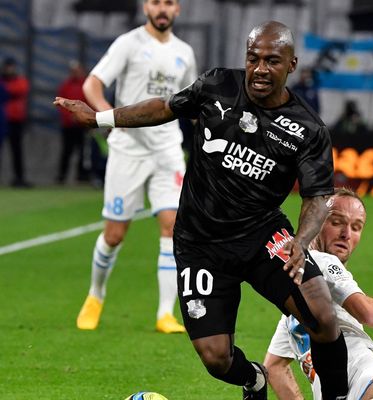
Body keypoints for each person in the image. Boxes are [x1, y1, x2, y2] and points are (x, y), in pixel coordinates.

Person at [55, 20, 351, 400]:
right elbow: (163, 107)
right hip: (200, 243)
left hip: (263, 236)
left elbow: (318, 196)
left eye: (272, 61)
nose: (260, 69)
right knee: (216, 358)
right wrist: (99, 117)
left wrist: (302, 239)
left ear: (291, 65)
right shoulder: (217, 86)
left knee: (322, 318)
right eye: (253, 58)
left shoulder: (308, 128)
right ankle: (254, 380)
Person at [72, 0, 197, 334]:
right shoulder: (128, 44)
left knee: (172, 226)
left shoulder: (185, 52)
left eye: (169, 3)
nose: (162, 9)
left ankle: (164, 314)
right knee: (114, 235)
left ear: (177, 9)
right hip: (128, 150)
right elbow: (92, 85)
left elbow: (190, 102)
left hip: (167, 150)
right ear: (146, 7)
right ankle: (95, 295)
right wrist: (108, 118)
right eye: (156, 2)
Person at [264, 188, 373, 400]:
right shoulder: (324, 262)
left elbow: (274, 368)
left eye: (356, 227)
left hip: (337, 390)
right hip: (364, 373)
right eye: (337, 222)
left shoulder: (293, 304)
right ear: (315, 221)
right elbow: (367, 313)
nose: (346, 234)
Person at [56, 61, 90, 184]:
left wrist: (84, 117)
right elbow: (60, 103)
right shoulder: (66, 85)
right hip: (69, 125)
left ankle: (82, 176)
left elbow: (89, 102)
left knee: (83, 151)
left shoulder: (86, 86)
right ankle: (61, 176)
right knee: (66, 151)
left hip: (82, 124)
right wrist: (70, 117)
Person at [0, 57, 31, 187]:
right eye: (8, 67)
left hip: (16, 121)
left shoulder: (19, 81)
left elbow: (21, 89)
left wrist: (6, 91)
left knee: (17, 151)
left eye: (11, 66)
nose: (9, 69)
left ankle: (19, 178)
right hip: (3, 121)